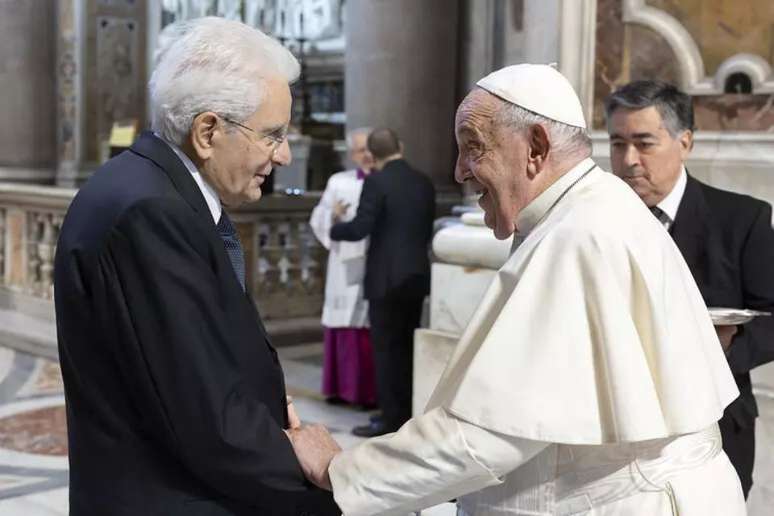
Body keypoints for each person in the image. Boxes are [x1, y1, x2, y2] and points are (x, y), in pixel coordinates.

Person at [286, 64, 746, 515]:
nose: (460, 171)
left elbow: (487, 434)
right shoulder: (587, 208)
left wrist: (342, 470)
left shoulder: (578, 233)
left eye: (473, 148)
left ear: (535, 148)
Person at [54, 17, 338, 516]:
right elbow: (202, 418)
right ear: (208, 131)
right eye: (272, 135)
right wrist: (332, 482)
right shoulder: (150, 212)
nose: (286, 154)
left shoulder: (152, 190)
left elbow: (196, 360)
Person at [606, 79, 774, 499]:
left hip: (713, 428)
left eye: (644, 143)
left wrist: (722, 347)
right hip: (614, 437)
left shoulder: (743, 219)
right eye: (616, 143)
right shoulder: (594, 223)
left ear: (685, 142)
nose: (628, 160)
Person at [328, 128, 436, 437]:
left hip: (385, 281)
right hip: (416, 276)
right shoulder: (423, 182)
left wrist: (335, 227)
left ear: (372, 157)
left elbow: (361, 228)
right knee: (407, 348)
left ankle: (391, 421)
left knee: (387, 352)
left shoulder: (377, 181)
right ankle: (407, 414)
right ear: (401, 146)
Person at [309, 127, 377, 408]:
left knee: (365, 327)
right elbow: (318, 218)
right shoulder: (339, 181)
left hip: (371, 261)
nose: (366, 155)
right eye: (360, 150)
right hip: (342, 262)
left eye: (370, 149)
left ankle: (365, 393)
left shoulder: (384, 180)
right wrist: (332, 216)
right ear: (351, 154)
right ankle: (339, 389)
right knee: (341, 323)